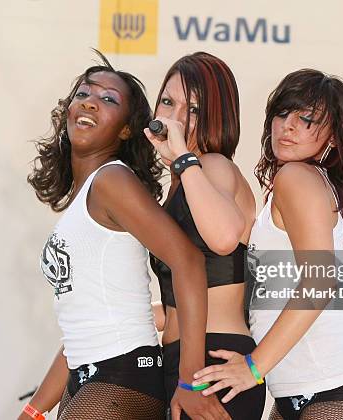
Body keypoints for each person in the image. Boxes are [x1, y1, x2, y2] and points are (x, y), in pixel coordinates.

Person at [19, 50, 228, 420]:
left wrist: (190, 382)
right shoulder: (89, 195)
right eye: (83, 93)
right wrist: (35, 410)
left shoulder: (112, 180)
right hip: (89, 378)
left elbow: (189, 261)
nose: (90, 103)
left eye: (108, 99)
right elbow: (79, 329)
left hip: (120, 378)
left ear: (127, 128)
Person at [192, 69, 343, 420]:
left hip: (336, 394)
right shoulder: (310, 184)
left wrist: (254, 367)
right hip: (309, 395)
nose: (287, 125)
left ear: (332, 137)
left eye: (307, 120)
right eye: (282, 114)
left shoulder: (296, 178)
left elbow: (320, 280)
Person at [144, 52, 265, 419]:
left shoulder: (214, 166)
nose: (177, 117)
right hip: (178, 363)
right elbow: (180, 298)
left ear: (218, 114)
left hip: (211, 365)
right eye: (168, 102)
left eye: (194, 109)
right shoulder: (182, 183)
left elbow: (224, 237)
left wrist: (182, 156)